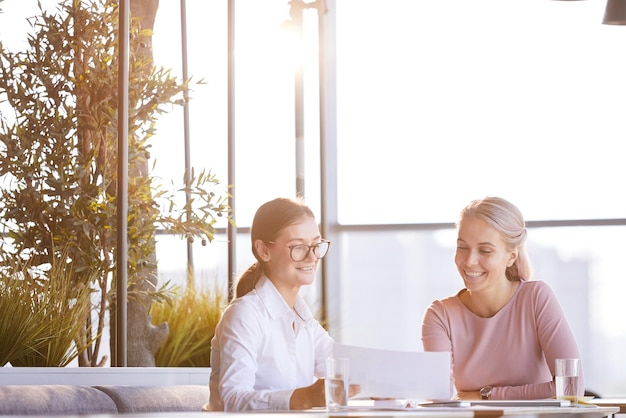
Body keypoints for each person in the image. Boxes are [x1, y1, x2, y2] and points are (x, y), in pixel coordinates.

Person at [421, 196, 584, 400]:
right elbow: (438, 396)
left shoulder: (536, 298)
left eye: (485, 250)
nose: (469, 261)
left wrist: (486, 394)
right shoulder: (439, 315)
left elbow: (570, 387)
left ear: (511, 257)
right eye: (462, 247)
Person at [206, 197, 357, 411]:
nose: (311, 257)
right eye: (298, 247)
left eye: (316, 245)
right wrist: (303, 398)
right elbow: (234, 399)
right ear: (264, 250)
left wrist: (386, 384)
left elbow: (349, 372)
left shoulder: (305, 322)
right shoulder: (244, 314)